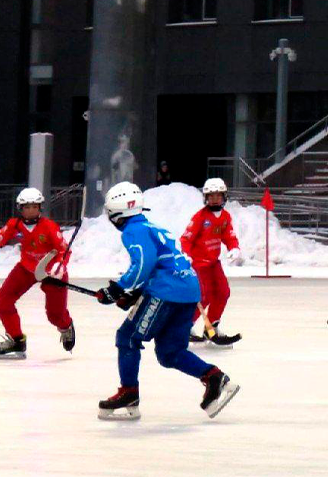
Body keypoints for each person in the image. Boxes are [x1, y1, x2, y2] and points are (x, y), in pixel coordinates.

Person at [96, 181, 239, 421]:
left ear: (117, 212)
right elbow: (162, 263)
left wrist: (118, 288)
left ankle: (129, 393)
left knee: (127, 337)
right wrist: (137, 293)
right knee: (170, 352)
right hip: (188, 290)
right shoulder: (149, 226)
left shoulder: (134, 229)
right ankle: (215, 377)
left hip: (168, 291)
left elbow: (144, 263)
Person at [0, 188, 75, 358]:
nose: (30, 210)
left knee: (54, 314)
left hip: (51, 272)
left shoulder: (49, 226)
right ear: (20, 208)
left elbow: (64, 251)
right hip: (26, 268)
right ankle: (17, 340)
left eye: (34, 206)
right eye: (26, 207)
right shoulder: (15, 224)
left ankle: (66, 326)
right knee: (3, 300)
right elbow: (2, 237)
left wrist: (59, 266)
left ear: (40, 207)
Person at [180, 178, 242, 346]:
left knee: (223, 292)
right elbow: (186, 239)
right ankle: (184, 327)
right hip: (199, 264)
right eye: (211, 196)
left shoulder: (225, 217)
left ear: (224, 197)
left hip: (214, 263)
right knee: (204, 295)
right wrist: (186, 255)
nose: (215, 199)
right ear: (206, 198)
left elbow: (229, 236)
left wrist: (234, 248)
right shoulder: (200, 217)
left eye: (218, 196)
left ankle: (211, 327)